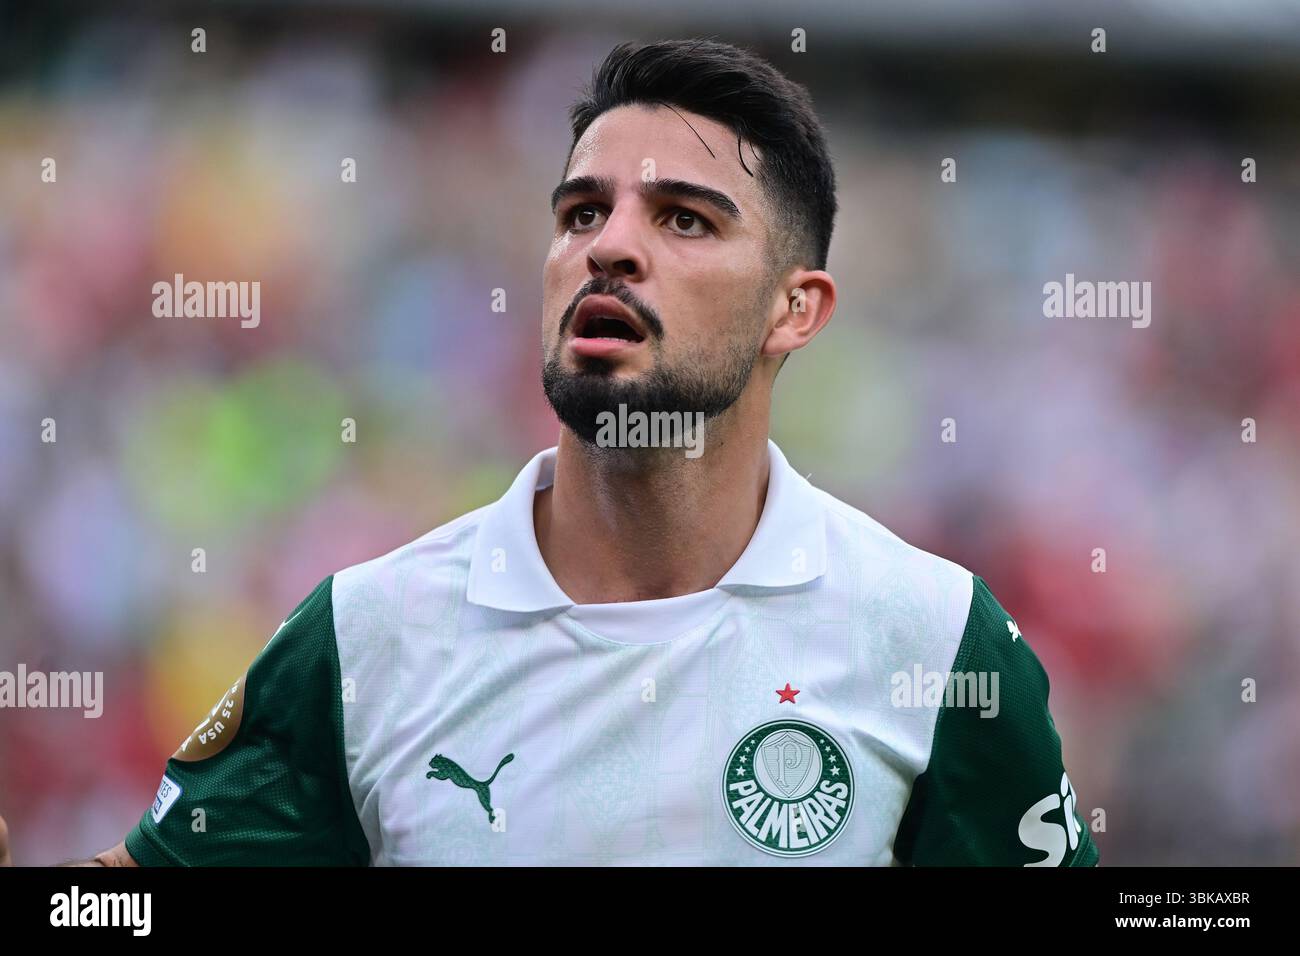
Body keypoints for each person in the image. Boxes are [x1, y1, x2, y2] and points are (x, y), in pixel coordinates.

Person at [2, 38, 1097, 866]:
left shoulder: (930, 631)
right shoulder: (368, 632)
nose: (608, 244)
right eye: (581, 212)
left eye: (684, 220)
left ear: (794, 309)